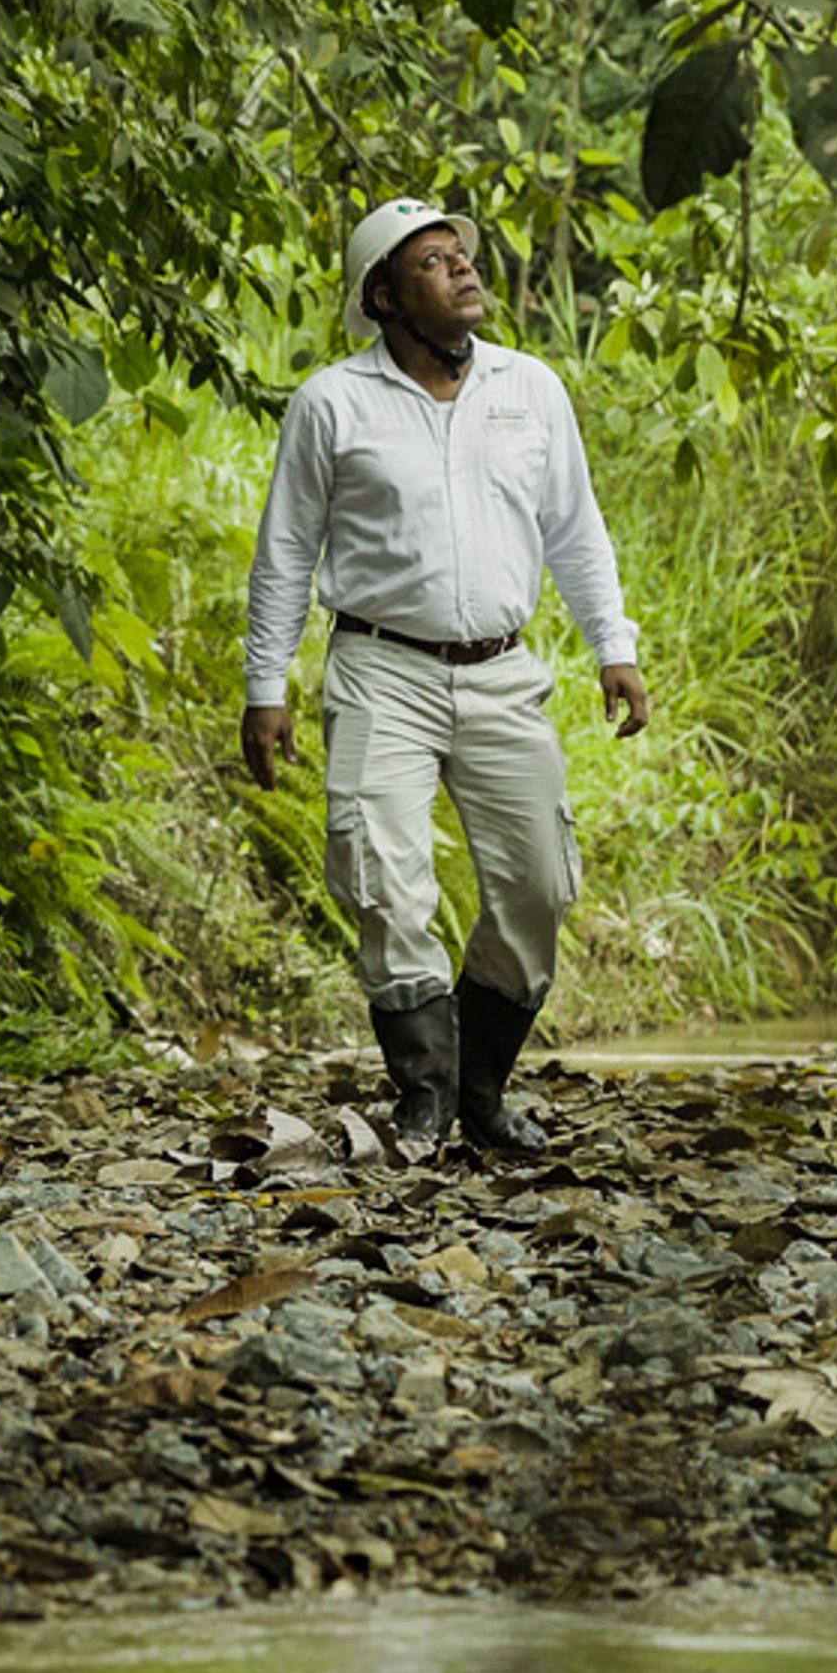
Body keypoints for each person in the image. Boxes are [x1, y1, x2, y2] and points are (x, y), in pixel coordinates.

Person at [241, 195, 653, 1160]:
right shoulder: (332, 403)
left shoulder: (529, 389)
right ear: (384, 297)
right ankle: (422, 1098)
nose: (464, 269)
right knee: (382, 875)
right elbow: (285, 552)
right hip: (380, 668)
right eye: (433, 262)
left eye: (460, 255)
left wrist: (614, 645)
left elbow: (575, 530)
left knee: (539, 886)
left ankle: (480, 1090)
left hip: (503, 674)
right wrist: (267, 686)